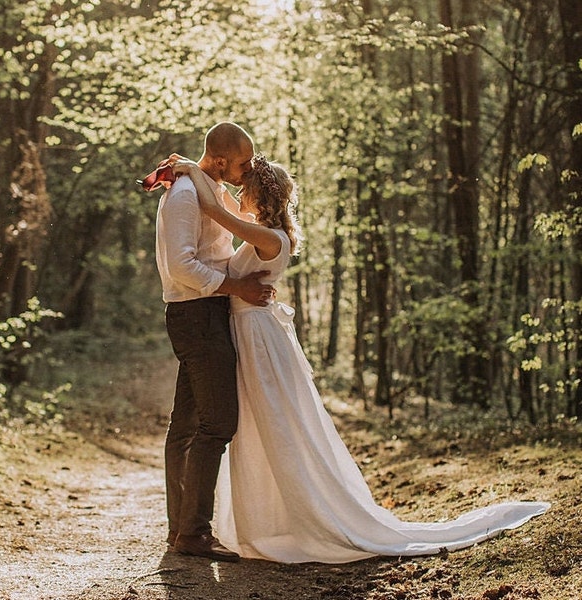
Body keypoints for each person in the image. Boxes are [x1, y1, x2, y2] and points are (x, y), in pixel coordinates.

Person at [170, 154, 550, 564]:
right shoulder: (265, 228)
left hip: (258, 338)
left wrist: (194, 170)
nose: (238, 191)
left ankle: (304, 514)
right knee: (257, 427)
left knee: (277, 424)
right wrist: (200, 171)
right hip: (247, 331)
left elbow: (214, 208)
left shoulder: (270, 237)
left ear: (260, 197)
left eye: (246, 188)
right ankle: (265, 515)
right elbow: (225, 205)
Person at [152, 122, 275, 563]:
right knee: (217, 424)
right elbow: (182, 266)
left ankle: (181, 529)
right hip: (195, 314)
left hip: (206, 314)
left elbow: (234, 224)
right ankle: (194, 533)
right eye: (243, 162)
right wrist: (236, 287)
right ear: (221, 159)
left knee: (186, 425)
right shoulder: (185, 196)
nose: (248, 170)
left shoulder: (204, 187)